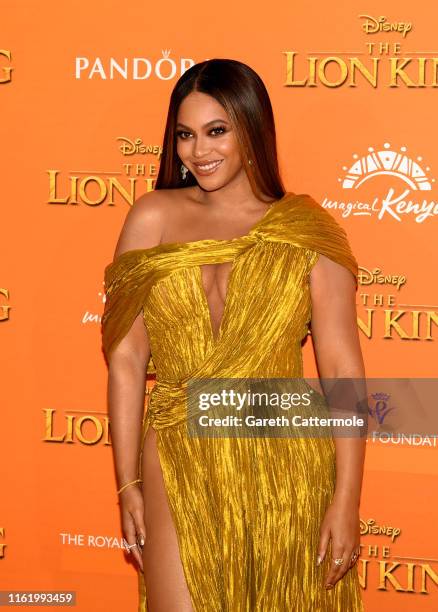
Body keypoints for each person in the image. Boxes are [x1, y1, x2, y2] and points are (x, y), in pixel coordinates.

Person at [101, 58, 366, 612]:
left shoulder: (306, 229)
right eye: (185, 135)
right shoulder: (152, 217)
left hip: (285, 455)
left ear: (252, 128)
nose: (199, 152)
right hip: (177, 446)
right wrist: (126, 482)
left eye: (216, 131)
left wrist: (346, 500)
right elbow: (127, 357)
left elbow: (341, 371)